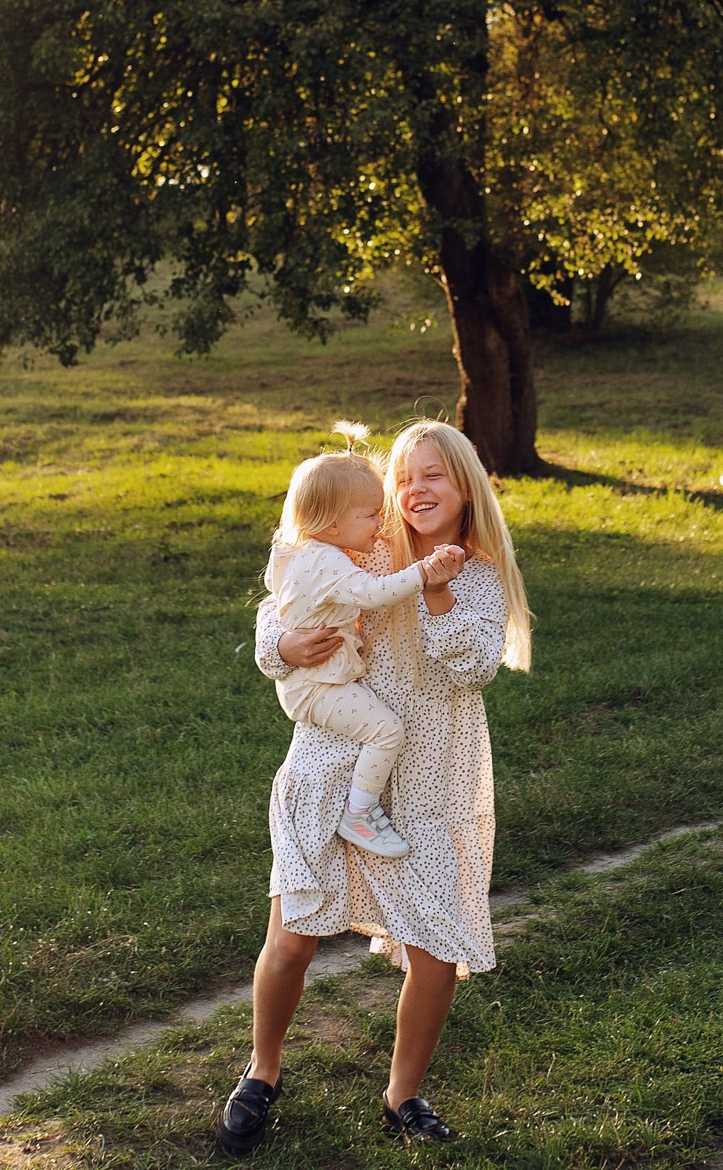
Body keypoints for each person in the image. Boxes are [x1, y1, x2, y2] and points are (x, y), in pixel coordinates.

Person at [216, 421, 534, 1154]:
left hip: (433, 776)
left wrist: (442, 591)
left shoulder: (479, 572)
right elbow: (289, 589)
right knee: (293, 937)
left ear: (465, 489)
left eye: (435, 476)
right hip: (335, 755)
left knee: (433, 950)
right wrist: (280, 645)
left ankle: (403, 1094)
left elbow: (470, 668)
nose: (416, 489)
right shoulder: (371, 544)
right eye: (405, 476)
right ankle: (262, 1070)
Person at [260, 450, 468, 857]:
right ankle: (359, 812)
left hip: (311, 680)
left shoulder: (292, 549)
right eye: (371, 515)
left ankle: (357, 808)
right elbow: (374, 594)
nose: (381, 522)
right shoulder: (327, 562)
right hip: (318, 685)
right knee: (386, 730)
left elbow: (274, 587)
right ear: (334, 524)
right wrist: (425, 573)